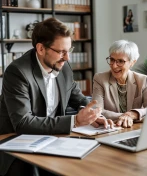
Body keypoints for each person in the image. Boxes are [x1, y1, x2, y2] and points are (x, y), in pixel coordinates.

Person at [0, 18, 112, 176]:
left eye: (69, 50)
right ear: (40, 48)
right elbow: (23, 123)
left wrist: (93, 113)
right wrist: (76, 121)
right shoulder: (18, 72)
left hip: (53, 139)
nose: (67, 58)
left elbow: (77, 96)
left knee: (96, 160)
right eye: (61, 52)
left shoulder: (63, 67)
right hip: (17, 145)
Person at [92, 40, 147, 128]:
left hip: (135, 129)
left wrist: (133, 114)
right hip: (111, 129)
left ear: (132, 62)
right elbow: (97, 110)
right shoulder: (100, 79)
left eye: (120, 61)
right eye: (112, 59)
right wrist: (127, 116)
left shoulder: (143, 80)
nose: (114, 66)